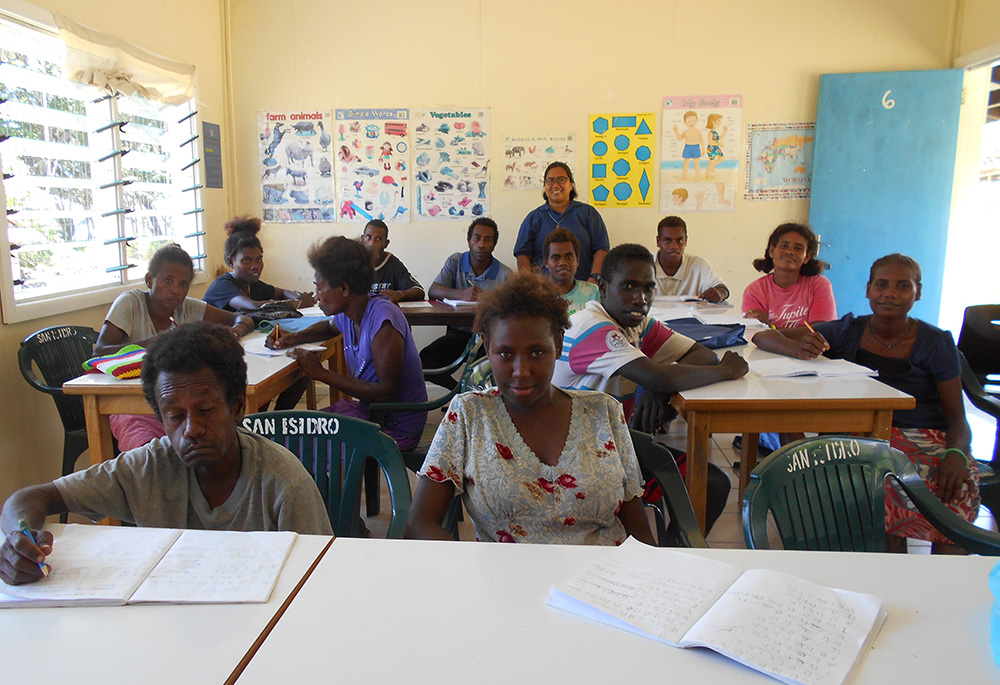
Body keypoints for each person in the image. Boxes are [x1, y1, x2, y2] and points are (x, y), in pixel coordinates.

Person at [1, 322, 333, 585]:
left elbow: (319, 582)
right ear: (160, 417)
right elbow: (31, 498)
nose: (191, 429)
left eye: (205, 409)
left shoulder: (282, 483)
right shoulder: (149, 467)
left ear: (236, 407)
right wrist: (20, 539)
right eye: (175, 415)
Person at [751, 253, 980, 554]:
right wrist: (797, 347)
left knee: (956, 488)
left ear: (918, 293)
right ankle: (886, 575)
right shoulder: (847, 331)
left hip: (926, 438)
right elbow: (763, 336)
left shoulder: (936, 342)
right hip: (863, 437)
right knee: (876, 485)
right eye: (882, 285)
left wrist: (955, 454)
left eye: (903, 286)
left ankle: (943, 584)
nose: (890, 294)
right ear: (868, 289)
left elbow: (958, 419)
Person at [405, 274, 656, 546]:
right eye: (505, 353)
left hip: (600, 579)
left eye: (537, 352)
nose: (521, 372)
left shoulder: (603, 412)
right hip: (506, 582)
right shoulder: (469, 416)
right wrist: (473, 573)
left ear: (558, 345)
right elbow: (419, 523)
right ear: (487, 347)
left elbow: (639, 533)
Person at [552, 244, 748, 534]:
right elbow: (670, 374)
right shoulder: (592, 328)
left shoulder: (637, 323)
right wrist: (725, 370)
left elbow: (700, 356)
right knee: (710, 484)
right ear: (603, 287)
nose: (639, 298)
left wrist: (658, 386)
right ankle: (656, 557)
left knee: (712, 484)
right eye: (628, 287)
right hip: (573, 456)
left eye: (648, 288)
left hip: (614, 445)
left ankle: (670, 557)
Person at [265, 237, 427, 451]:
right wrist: (292, 337)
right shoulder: (351, 312)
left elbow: (385, 391)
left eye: (319, 288)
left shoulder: (383, 319)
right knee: (294, 430)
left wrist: (321, 373)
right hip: (370, 412)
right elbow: (329, 327)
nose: (316, 296)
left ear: (343, 288)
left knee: (296, 445)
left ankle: (322, 483)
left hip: (394, 427)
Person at [95, 244, 256, 452]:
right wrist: (154, 343)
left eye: (183, 284)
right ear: (149, 280)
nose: (176, 290)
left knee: (215, 426)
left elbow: (242, 317)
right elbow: (99, 352)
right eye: (168, 281)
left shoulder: (187, 307)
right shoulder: (131, 303)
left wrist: (237, 330)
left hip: (177, 402)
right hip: (130, 403)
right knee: (147, 450)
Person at [420, 217, 513, 386]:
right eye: (476, 238)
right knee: (423, 363)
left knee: (484, 373)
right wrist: (460, 294)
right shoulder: (455, 261)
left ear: (494, 245)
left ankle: (471, 394)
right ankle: (460, 392)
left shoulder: (505, 275)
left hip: (489, 338)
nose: (481, 244)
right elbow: (433, 290)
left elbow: (512, 311)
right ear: (469, 240)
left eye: (488, 239)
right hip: (458, 335)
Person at [514, 162, 610, 282]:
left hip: (584, 288)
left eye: (561, 179)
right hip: (544, 291)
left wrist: (594, 278)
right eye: (550, 180)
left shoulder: (588, 213)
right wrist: (530, 283)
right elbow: (522, 254)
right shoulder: (534, 218)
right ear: (545, 186)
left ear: (571, 185)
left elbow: (601, 248)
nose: (555, 185)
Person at [202, 215, 316, 311]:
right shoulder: (222, 285)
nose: (255, 266)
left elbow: (283, 292)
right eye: (246, 260)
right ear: (230, 261)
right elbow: (252, 306)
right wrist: (297, 303)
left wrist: (298, 298)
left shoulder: (252, 284)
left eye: (259, 259)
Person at [742, 222, 837, 328]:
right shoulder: (754, 291)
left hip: (811, 345)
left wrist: (771, 328)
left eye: (798, 248)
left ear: (807, 257)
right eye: (784, 246)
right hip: (768, 345)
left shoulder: (818, 285)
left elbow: (821, 331)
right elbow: (756, 334)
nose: (790, 251)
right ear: (772, 251)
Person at [653, 216, 729, 302]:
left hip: (691, 315)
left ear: (686, 240)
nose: (674, 246)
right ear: (658, 241)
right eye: (667, 240)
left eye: (680, 240)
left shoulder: (698, 265)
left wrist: (720, 293)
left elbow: (722, 287)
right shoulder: (644, 265)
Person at [361, 219, 424, 303]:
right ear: (362, 239)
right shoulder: (353, 262)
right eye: (368, 237)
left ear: (386, 243)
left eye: (378, 239)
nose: (372, 243)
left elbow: (419, 291)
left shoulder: (392, 263)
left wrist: (400, 294)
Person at [542, 228, 599, 316]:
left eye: (568, 257)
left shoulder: (593, 292)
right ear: (546, 262)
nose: (562, 263)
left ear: (578, 260)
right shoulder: (538, 294)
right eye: (556, 258)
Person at [672, 111, 703, 180]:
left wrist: (703, 149)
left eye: (694, 120)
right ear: (685, 123)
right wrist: (676, 131)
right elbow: (679, 138)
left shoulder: (698, 131)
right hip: (688, 147)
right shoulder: (686, 132)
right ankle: (684, 175)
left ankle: (697, 176)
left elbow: (701, 141)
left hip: (696, 147)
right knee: (686, 163)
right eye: (689, 121)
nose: (691, 122)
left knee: (696, 163)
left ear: (697, 120)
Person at [704, 113, 728, 179]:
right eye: (719, 121)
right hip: (711, 148)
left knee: (722, 158)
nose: (720, 123)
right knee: (711, 160)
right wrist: (719, 144)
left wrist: (725, 132)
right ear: (713, 122)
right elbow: (710, 142)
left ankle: (712, 166)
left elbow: (719, 138)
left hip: (716, 148)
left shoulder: (715, 132)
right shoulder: (711, 132)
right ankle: (707, 174)